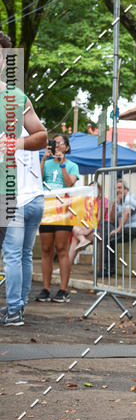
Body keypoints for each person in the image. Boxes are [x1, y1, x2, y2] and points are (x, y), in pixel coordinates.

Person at [0, 32, 48, 327]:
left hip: (15, 196)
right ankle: (19, 307)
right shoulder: (18, 98)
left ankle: (15, 309)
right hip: (34, 197)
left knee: (13, 255)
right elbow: (42, 136)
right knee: (23, 255)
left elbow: (41, 137)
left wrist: (10, 144)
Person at [36, 134, 79, 303]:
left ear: (67, 147)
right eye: (55, 143)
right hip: (47, 210)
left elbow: (69, 184)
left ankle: (63, 289)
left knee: (61, 248)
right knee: (46, 250)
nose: (58, 146)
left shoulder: (72, 165)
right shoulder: (46, 164)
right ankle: (46, 288)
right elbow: (37, 181)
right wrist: (43, 159)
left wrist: (62, 165)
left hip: (63, 211)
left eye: (61, 143)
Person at [102, 179, 136, 275]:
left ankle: (108, 270)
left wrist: (118, 229)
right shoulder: (120, 201)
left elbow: (127, 213)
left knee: (110, 239)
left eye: (120, 188)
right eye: (116, 188)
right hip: (127, 230)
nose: (118, 190)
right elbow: (112, 220)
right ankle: (108, 269)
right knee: (106, 227)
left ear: (126, 189)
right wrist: (115, 204)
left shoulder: (130, 198)